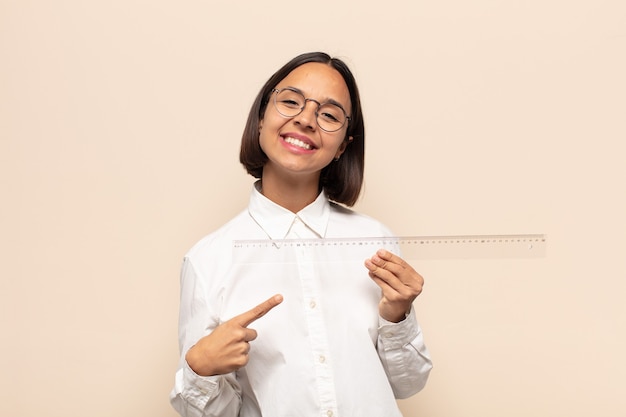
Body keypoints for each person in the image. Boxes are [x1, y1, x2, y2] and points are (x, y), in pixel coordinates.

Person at [170, 51, 432, 417]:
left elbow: (406, 385)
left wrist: (398, 315)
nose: (306, 119)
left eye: (328, 114)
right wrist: (200, 369)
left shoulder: (376, 242)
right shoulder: (209, 259)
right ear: (261, 119)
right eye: (291, 101)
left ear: (343, 144)